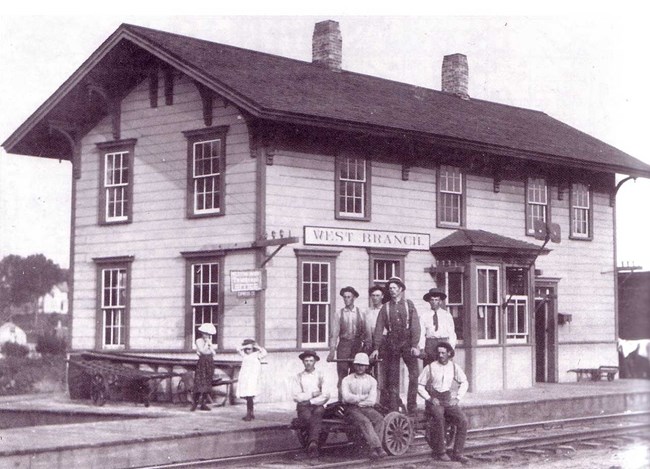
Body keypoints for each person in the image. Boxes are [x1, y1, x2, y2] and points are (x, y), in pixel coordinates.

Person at [370, 277, 421, 414]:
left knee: (414, 375)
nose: (392, 291)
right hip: (392, 343)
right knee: (393, 376)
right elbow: (379, 328)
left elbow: (416, 325)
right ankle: (393, 406)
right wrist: (376, 348)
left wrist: (415, 345)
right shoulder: (385, 307)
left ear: (400, 289)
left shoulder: (408, 305)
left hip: (408, 342)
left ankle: (412, 405)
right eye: (390, 288)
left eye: (394, 288)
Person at [418, 342, 469, 464]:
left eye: (443, 353)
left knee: (463, 421)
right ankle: (441, 452)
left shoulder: (454, 367)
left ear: (449, 354)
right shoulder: (430, 367)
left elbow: (465, 382)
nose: (440, 355)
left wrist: (457, 398)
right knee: (439, 417)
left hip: (447, 399)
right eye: (439, 353)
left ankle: (458, 453)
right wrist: (429, 398)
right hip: (434, 401)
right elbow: (419, 385)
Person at [341, 352, 387, 460]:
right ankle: (377, 448)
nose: (360, 367)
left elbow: (371, 400)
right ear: (354, 365)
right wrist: (362, 397)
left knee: (380, 419)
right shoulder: (347, 380)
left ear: (367, 366)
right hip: (351, 409)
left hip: (367, 408)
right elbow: (346, 397)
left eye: (362, 365)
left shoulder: (372, 381)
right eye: (357, 364)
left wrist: (357, 400)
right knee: (364, 421)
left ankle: (373, 449)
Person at [327, 286, 364, 400]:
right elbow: (334, 333)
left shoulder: (361, 313)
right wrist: (332, 350)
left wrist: (366, 346)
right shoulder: (339, 314)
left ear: (354, 298)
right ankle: (341, 401)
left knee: (356, 373)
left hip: (357, 346)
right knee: (342, 374)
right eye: (345, 297)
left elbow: (366, 331)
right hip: (343, 345)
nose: (346, 299)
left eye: (349, 297)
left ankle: (354, 402)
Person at [291, 350, 330, 459]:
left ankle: (312, 444)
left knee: (318, 413)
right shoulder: (298, 377)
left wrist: (310, 401)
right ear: (303, 362)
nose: (308, 363)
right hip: (303, 406)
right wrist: (312, 394)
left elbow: (326, 395)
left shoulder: (321, 375)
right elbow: (296, 396)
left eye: (311, 361)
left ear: (315, 362)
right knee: (308, 418)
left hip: (317, 405)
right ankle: (313, 444)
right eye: (306, 361)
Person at [420, 289, 457, 366]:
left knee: (443, 368)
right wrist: (422, 348)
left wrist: (451, 348)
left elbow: (452, 333)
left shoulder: (446, 315)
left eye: (436, 300)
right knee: (429, 368)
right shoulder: (424, 316)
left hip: (443, 343)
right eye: (432, 300)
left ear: (440, 301)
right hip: (430, 344)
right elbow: (421, 333)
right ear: (429, 301)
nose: (434, 302)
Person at [236, 338, 267, 421]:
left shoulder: (257, 355)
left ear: (253, 349)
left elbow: (264, 352)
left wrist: (256, 346)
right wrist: (245, 346)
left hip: (253, 379)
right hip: (245, 379)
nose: (247, 351)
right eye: (246, 349)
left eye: (249, 349)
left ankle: (249, 414)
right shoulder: (245, 356)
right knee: (248, 397)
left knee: (250, 396)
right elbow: (238, 349)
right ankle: (251, 413)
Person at [192, 323, 217, 411]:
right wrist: (207, 343)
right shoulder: (198, 340)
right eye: (204, 333)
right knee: (199, 382)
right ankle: (194, 404)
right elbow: (202, 351)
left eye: (208, 334)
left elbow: (214, 353)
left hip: (209, 362)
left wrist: (210, 345)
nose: (206, 335)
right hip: (202, 363)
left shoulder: (209, 341)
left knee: (207, 383)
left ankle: (203, 403)